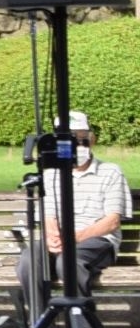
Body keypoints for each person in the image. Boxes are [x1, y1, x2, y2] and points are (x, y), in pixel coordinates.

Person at [18, 110, 132, 303]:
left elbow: (112, 222)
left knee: (68, 262)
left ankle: (80, 319)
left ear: (91, 140)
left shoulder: (110, 172)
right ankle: (40, 320)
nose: (76, 146)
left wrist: (73, 238)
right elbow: (48, 215)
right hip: (58, 242)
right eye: (69, 141)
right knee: (29, 260)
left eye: (81, 139)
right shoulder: (50, 174)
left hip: (96, 241)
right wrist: (53, 237)